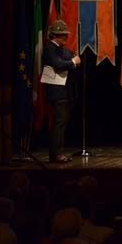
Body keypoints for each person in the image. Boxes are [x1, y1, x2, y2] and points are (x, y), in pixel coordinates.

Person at [42, 19, 81, 163]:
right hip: (57, 92)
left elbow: (71, 55)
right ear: (56, 36)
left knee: (62, 122)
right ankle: (56, 153)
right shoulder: (50, 49)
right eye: (63, 35)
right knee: (59, 123)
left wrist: (71, 61)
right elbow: (59, 64)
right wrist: (72, 62)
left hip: (64, 92)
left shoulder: (60, 50)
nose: (66, 37)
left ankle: (59, 152)